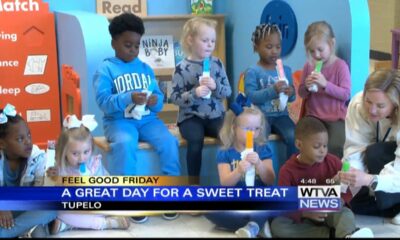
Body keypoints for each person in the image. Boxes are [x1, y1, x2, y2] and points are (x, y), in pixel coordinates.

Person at [93, 12, 181, 223]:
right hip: (118, 121)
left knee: (169, 141)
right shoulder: (106, 68)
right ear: (114, 42)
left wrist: (154, 102)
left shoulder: (145, 68)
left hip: (148, 120)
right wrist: (127, 97)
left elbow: (159, 98)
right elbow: (103, 101)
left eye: (137, 45)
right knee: (124, 143)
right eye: (127, 45)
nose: (133, 50)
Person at [270, 116, 373, 238]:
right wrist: (305, 213)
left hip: (329, 211)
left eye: (325, 146)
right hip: (304, 217)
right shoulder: (287, 171)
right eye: (317, 146)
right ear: (299, 144)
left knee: (346, 214)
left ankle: (347, 235)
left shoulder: (333, 162)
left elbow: (349, 187)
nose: (322, 151)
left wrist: (341, 199)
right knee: (278, 225)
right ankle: (330, 234)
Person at [171, 17, 232, 184]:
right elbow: (174, 98)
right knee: (195, 141)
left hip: (215, 116)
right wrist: (194, 93)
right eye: (205, 40)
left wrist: (215, 86)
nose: (210, 44)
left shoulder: (217, 63)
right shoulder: (181, 68)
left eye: (212, 41)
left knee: (229, 137)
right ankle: (194, 185)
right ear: (190, 40)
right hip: (190, 118)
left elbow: (227, 91)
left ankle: (232, 180)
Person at [205, 94, 274, 238]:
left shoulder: (262, 149)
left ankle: (254, 224)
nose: (253, 133)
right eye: (248, 128)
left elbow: (270, 180)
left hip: (258, 198)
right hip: (235, 199)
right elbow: (225, 184)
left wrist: (259, 164)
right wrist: (238, 170)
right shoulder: (225, 153)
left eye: (256, 128)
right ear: (234, 128)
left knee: (273, 200)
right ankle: (257, 222)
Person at [46, 115, 130, 234]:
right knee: (58, 211)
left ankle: (102, 223)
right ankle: (99, 223)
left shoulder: (94, 164)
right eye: (75, 153)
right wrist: (54, 177)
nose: (82, 158)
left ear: (91, 148)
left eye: (86, 152)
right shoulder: (61, 167)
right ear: (64, 152)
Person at [340, 69, 400, 225]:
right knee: (353, 204)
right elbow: (355, 149)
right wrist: (349, 176)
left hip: (395, 170)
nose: (371, 110)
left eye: (380, 105)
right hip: (380, 168)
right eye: (368, 101)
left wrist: (370, 180)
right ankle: (390, 205)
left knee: (375, 152)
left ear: (395, 104)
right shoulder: (358, 104)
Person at [244, 23, 296, 169]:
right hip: (260, 117)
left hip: (282, 115)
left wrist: (290, 92)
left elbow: (292, 97)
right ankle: (261, 173)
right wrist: (273, 90)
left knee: (293, 136)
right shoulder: (253, 71)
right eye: (269, 47)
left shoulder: (286, 70)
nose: (274, 51)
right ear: (256, 47)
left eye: (278, 47)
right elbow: (252, 96)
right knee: (259, 141)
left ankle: (290, 173)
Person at [0, 103, 56, 238]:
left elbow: (41, 196)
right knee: (38, 231)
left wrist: (50, 179)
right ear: (2, 144)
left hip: (25, 209)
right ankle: (25, 230)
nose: (28, 142)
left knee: (52, 208)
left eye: (29, 135)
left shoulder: (38, 158)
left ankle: (6, 233)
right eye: (20, 139)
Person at [298, 21, 351, 159]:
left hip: (336, 119)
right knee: (308, 144)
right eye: (312, 51)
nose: (316, 55)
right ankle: (310, 173)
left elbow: (345, 94)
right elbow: (301, 93)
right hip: (313, 116)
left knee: (335, 146)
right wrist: (306, 87)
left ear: (332, 44)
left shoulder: (340, 66)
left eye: (320, 50)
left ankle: (332, 175)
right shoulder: (308, 66)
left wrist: (325, 84)